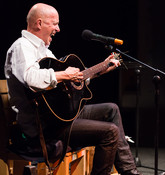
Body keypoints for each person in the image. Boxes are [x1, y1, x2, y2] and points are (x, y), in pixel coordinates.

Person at [4, 3, 142, 175]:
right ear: (39, 23)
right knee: (110, 132)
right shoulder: (21, 47)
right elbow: (30, 78)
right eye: (54, 23)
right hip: (44, 125)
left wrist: (99, 70)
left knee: (111, 110)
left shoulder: (44, 51)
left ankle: (131, 173)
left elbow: (67, 83)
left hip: (60, 116)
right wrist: (65, 74)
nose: (58, 29)